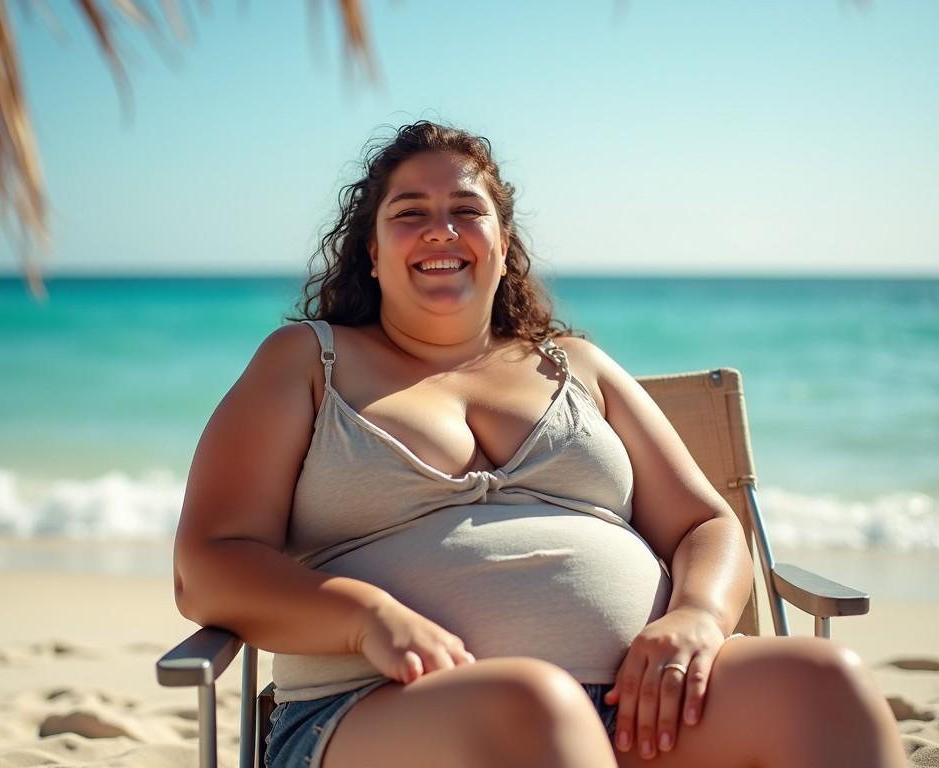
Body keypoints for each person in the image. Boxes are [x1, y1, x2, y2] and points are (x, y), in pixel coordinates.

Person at [172, 121, 905, 768]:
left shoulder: (574, 365)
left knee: (825, 682)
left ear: (501, 244)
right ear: (370, 251)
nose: (441, 229)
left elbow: (705, 525)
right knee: (536, 703)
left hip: (637, 714)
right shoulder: (306, 361)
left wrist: (697, 617)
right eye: (410, 213)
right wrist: (367, 617)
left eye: (467, 211)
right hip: (379, 714)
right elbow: (207, 565)